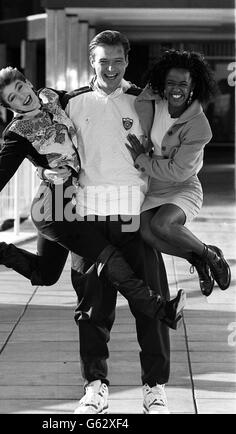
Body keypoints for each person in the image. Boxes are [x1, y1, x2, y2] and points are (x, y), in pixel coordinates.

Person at [0, 68, 184, 321]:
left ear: (28, 83)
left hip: (70, 202)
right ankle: (161, 310)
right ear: (10, 107)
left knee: (45, 274)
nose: (21, 97)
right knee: (110, 256)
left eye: (20, 88)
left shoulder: (52, 97)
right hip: (53, 210)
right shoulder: (18, 132)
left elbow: (85, 96)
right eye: (13, 98)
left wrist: (123, 86)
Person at [42, 30, 176, 414]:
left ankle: (154, 388)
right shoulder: (71, 104)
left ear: (127, 61)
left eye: (118, 60)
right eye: (104, 61)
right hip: (87, 221)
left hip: (134, 217)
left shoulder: (144, 101)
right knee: (92, 309)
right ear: (92, 61)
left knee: (150, 306)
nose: (112, 68)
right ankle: (95, 385)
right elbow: (46, 144)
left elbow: (171, 143)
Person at [125, 49, 231, 297]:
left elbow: (178, 171)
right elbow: (139, 99)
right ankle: (197, 259)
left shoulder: (200, 126)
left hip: (183, 186)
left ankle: (211, 255)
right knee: (146, 232)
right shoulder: (155, 102)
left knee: (162, 225)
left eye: (183, 84)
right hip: (155, 186)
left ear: (193, 86)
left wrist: (142, 159)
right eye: (170, 82)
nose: (176, 89)